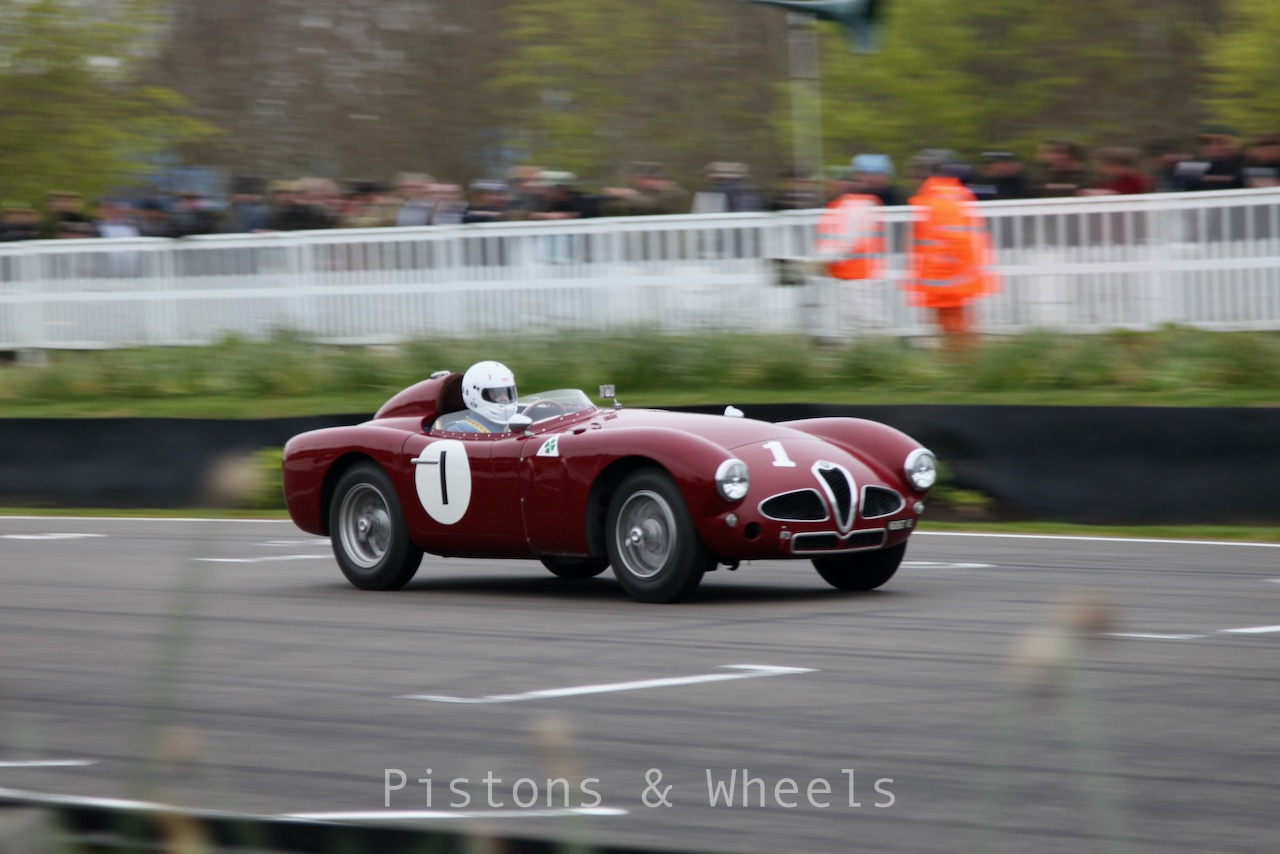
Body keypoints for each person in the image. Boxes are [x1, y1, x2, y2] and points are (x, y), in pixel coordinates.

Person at [903, 162, 1000, 353]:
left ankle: (961, 360)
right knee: (955, 321)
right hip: (953, 271)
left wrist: (939, 271)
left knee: (952, 322)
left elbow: (948, 237)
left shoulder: (937, 199)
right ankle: (961, 358)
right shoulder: (952, 196)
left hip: (946, 273)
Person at [446, 361, 518, 433]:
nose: (505, 398)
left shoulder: (515, 423)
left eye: (508, 392)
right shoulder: (460, 431)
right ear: (474, 396)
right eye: (497, 393)